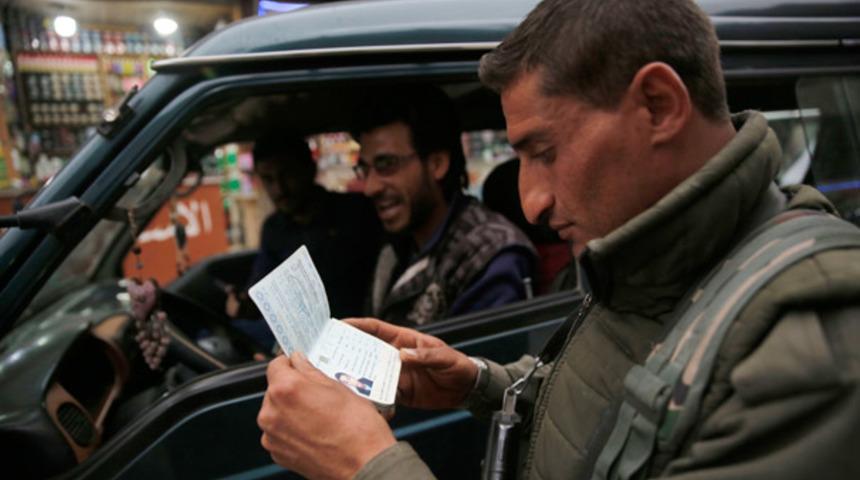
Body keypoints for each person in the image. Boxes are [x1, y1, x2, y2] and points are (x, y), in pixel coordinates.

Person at [256, 1, 860, 479]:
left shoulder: (815, 349)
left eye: (545, 153)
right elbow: (619, 407)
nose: (532, 202)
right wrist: (477, 382)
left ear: (659, 105)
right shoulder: (648, 261)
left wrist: (365, 466)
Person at [351, 86, 537, 326]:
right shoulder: (396, 247)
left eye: (387, 164)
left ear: (437, 164)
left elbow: (476, 360)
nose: (371, 187)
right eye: (365, 169)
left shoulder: (488, 254)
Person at [228, 133, 383, 346]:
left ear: (310, 169)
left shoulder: (357, 213)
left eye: (287, 175)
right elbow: (259, 289)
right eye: (268, 179)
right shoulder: (274, 229)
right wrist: (242, 304)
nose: (279, 189)